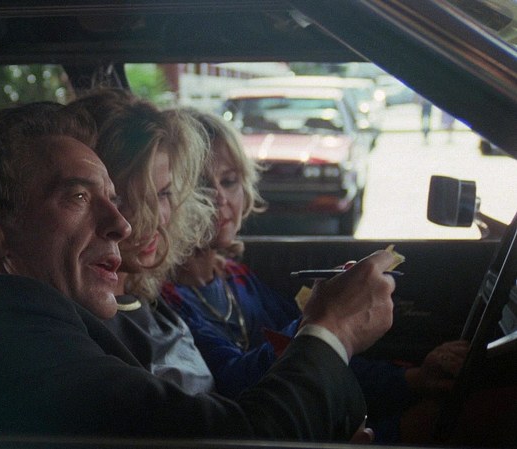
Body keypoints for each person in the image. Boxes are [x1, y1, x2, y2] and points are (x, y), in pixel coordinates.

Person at [0, 100, 399, 442]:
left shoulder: (47, 321)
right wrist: (333, 328)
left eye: (114, 198)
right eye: (78, 197)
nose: (121, 223)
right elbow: (232, 441)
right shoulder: (0, 321)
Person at [162, 108, 470, 442]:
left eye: (229, 181)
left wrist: (414, 379)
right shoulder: (166, 302)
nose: (220, 198)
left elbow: (327, 358)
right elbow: (237, 379)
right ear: (162, 199)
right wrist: (327, 317)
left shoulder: (237, 279)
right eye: (200, 186)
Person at [63, 89, 217, 395]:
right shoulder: (82, 327)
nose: (155, 218)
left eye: (163, 194)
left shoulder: (148, 299)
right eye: (122, 198)